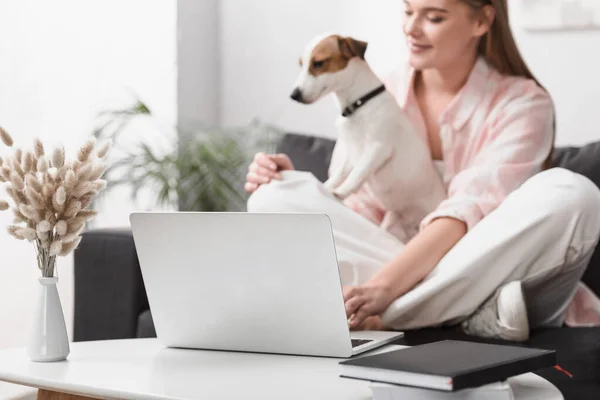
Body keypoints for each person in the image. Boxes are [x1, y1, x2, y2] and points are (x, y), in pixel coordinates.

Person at [244, 0, 600, 341]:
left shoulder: (523, 103)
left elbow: (468, 210)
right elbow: (356, 207)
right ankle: (467, 311)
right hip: (407, 262)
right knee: (272, 197)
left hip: (495, 268)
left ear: (481, 21)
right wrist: (303, 187)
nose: (411, 28)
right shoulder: (378, 89)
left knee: (573, 193)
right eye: (408, 10)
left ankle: (398, 313)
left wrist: (383, 288)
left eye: (434, 17)